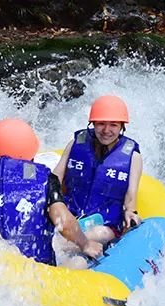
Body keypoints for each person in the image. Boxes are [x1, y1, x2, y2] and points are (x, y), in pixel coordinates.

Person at [0, 118, 103, 266]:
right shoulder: (45, 178)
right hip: (33, 272)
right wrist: (85, 244)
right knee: (78, 262)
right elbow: (62, 220)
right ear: (31, 150)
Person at [52, 95, 143, 245]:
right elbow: (55, 178)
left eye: (113, 125)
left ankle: (57, 249)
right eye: (101, 124)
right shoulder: (76, 143)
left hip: (105, 223)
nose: (106, 130)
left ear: (122, 127)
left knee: (99, 233)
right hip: (70, 214)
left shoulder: (133, 157)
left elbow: (131, 196)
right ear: (93, 123)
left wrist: (130, 213)